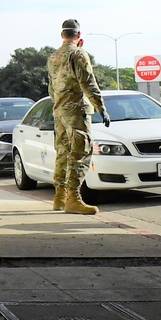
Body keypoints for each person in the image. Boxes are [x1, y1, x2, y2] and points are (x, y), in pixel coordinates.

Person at [47, 19, 111, 215]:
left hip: (59, 111)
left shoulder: (53, 57)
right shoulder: (78, 54)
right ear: (79, 36)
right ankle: (73, 198)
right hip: (76, 111)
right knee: (80, 152)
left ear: (62, 35)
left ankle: (59, 197)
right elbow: (88, 83)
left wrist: (59, 104)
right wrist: (101, 107)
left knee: (62, 153)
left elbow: (51, 88)